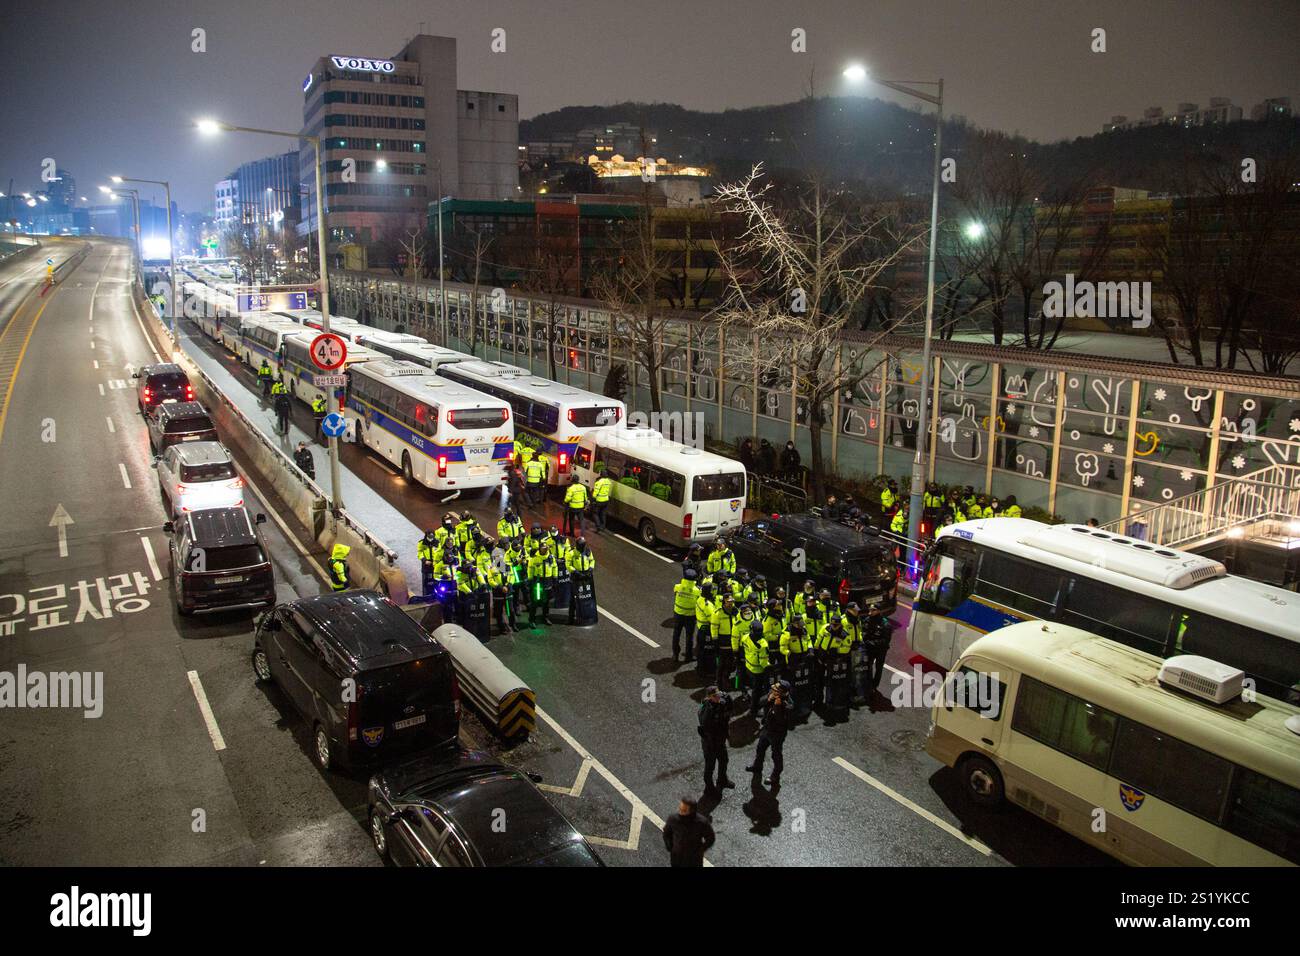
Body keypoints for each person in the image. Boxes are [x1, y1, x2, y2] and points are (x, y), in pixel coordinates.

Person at [746, 680, 791, 789]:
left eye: (775, 689)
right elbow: (759, 703)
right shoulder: (772, 695)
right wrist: (768, 699)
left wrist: (777, 706)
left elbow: (781, 720)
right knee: (760, 748)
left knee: (776, 755)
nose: (772, 689)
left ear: (781, 692)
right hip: (766, 729)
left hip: (777, 734)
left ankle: (775, 775)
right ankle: (757, 766)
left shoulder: (788, 705)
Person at [698, 685, 734, 797]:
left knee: (724, 760)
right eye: (715, 696)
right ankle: (709, 788)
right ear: (709, 697)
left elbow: (729, 711)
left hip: (720, 740)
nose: (718, 697)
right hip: (710, 743)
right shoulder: (707, 710)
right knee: (710, 766)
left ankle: (722, 779)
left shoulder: (720, 703)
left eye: (718, 694)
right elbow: (707, 726)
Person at [662, 797, 714, 868]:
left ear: (692, 811)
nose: (680, 812)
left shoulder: (701, 823)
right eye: (680, 809)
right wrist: (670, 846)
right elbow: (666, 833)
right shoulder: (673, 819)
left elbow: (710, 838)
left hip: (693, 859)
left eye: (684, 810)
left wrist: (700, 850)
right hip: (677, 857)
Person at [739, 620, 771, 717]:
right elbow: (763, 662)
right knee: (757, 691)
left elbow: (742, 650)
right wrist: (769, 668)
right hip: (758, 671)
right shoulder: (762, 644)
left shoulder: (745, 637)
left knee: (753, 687)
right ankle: (754, 709)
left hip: (748, 666)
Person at [863, 605, 892, 707]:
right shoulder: (867, 620)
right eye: (870, 609)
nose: (870, 611)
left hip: (880, 650)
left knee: (879, 667)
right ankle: (869, 685)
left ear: (878, 611)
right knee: (868, 666)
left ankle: (875, 685)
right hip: (870, 649)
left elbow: (885, 641)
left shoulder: (885, 624)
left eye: (873, 610)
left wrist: (872, 643)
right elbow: (864, 632)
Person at [671, 568, 701, 663]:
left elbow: (675, 594)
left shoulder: (677, 586)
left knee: (676, 635)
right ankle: (688, 656)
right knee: (689, 637)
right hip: (690, 616)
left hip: (678, 614)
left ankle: (675, 655)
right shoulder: (697, 591)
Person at [711, 594, 740, 692]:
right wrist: (715, 641)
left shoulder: (736, 612)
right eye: (728, 602)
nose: (730, 603)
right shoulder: (718, 613)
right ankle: (719, 682)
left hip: (733, 640)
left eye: (732, 601)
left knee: (730, 663)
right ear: (724, 602)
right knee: (722, 664)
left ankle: (725, 678)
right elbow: (714, 628)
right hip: (723, 641)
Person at [526, 539, 558, 626]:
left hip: (548, 581)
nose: (544, 550)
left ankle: (545, 617)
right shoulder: (534, 558)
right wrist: (530, 579)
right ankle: (532, 620)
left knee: (546, 602)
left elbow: (555, 567)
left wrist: (555, 577)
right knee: (535, 602)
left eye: (546, 548)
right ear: (539, 549)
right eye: (543, 548)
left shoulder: (551, 558)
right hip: (538, 582)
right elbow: (530, 569)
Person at [567, 536, 597, 625]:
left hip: (587, 576)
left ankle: (589, 615)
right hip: (576, 578)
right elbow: (568, 564)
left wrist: (591, 568)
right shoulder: (571, 553)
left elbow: (592, 560)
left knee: (588, 596)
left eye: (584, 544)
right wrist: (575, 571)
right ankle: (571, 618)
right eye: (581, 545)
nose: (583, 546)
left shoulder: (588, 551)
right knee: (574, 598)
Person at [694, 581, 718, 678]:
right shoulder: (707, 605)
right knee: (707, 651)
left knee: (701, 650)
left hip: (701, 629)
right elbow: (713, 619)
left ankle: (700, 668)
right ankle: (705, 671)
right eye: (712, 590)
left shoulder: (700, 599)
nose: (713, 592)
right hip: (707, 631)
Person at [417, 530, 439, 596]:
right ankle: (426, 595)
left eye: (432, 537)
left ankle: (435, 594)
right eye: (429, 537)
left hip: (435, 563)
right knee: (426, 581)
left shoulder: (437, 542)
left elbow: (439, 552)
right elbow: (419, 553)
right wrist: (425, 560)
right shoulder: (421, 543)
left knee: (436, 579)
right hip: (426, 563)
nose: (431, 538)